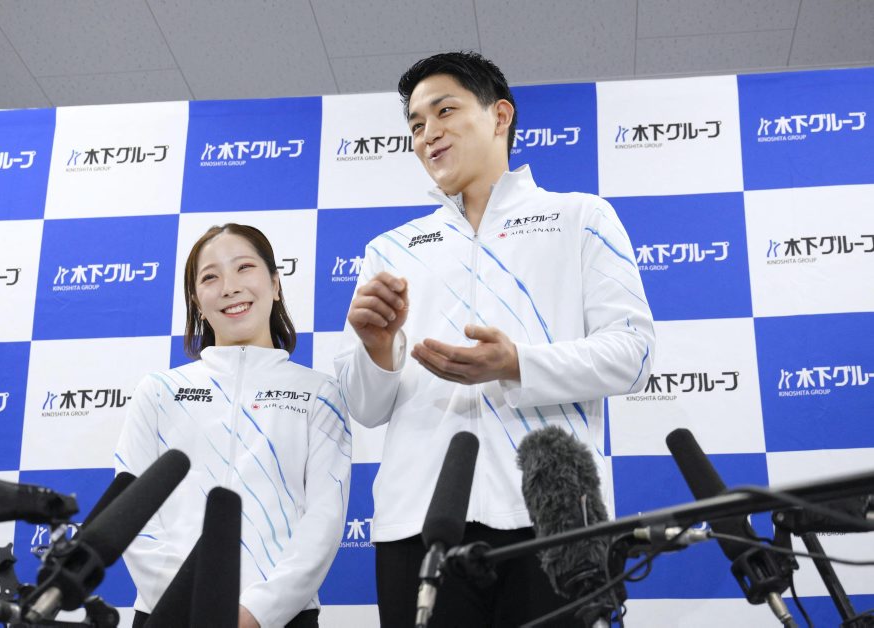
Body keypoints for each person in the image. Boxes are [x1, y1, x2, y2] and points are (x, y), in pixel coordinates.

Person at [334, 51, 655, 626]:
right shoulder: (390, 250)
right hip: (420, 523)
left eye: (445, 111)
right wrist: (376, 350)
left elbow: (633, 356)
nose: (428, 134)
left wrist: (516, 364)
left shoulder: (581, 217)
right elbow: (365, 407)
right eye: (415, 124)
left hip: (556, 518)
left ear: (500, 116)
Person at [116, 223, 351, 628]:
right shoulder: (158, 391)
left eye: (244, 268)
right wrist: (187, 604)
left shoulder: (320, 393)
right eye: (211, 277)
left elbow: (324, 520)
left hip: (283, 618)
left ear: (275, 284)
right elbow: (131, 511)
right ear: (196, 300)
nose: (229, 287)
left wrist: (258, 613)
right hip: (168, 615)